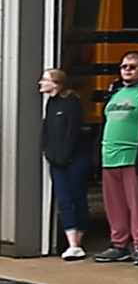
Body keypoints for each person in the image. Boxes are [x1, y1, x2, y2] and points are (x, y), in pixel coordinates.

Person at [91, 52, 138, 265]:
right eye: (124, 66)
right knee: (114, 205)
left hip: (135, 158)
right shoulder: (114, 91)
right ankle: (118, 245)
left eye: (133, 66)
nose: (127, 70)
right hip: (110, 157)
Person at [38, 67, 93, 260]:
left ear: (57, 83)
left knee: (77, 198)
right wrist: (49, 153)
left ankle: (78, 240)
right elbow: (48, 132)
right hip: (57, 160)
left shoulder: (72, 102)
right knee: (63, 200)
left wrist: (65, 156)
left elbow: (73, 133)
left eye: (45, 80)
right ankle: (72, 242)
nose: (41, 83)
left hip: (74, 159)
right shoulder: (52, 103)